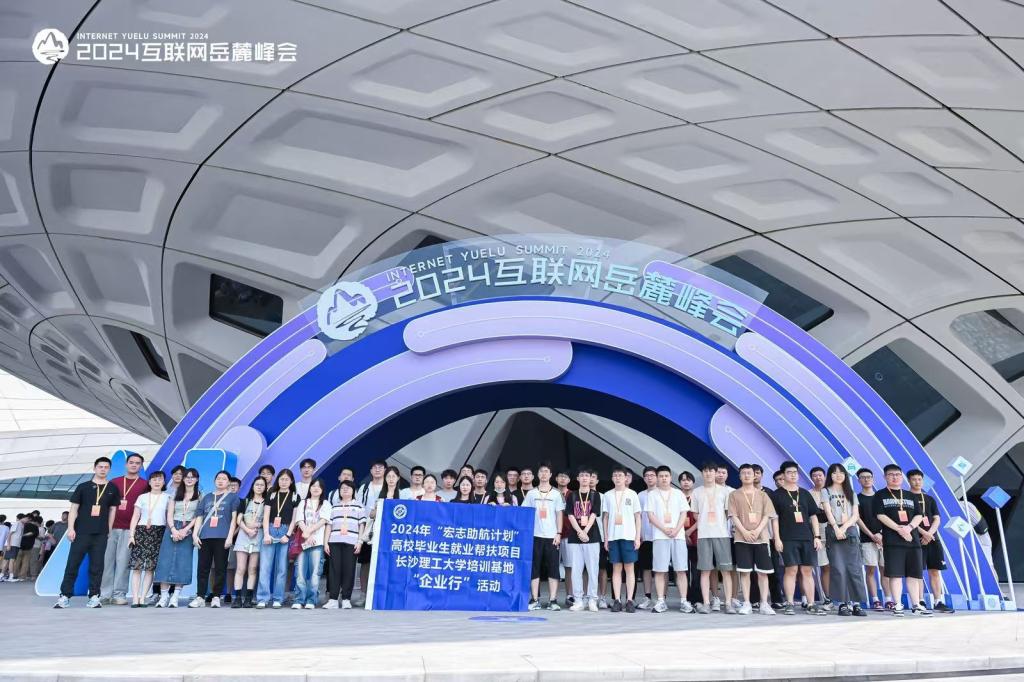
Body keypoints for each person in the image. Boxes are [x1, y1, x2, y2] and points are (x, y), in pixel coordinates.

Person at [55, 457, 122, 608]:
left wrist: (109, 529)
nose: (103, 469)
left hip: (101, 534)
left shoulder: (112, 488)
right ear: (94, 468)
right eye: (100, 467)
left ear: (109, 470)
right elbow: (74, 508)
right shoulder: (83, 487)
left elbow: (113, 510)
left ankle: (94, 596)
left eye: (106, 467)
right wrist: (71, 528)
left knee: (97, 566)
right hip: (81, 532)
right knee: (73, 564)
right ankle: (65, 595)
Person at [873, 464, 932, 617]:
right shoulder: (880, 495)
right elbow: (880, 515)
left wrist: (909, 527)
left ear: (902, 477)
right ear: (885, 477)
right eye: (891, 474)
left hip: (912, 541)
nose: (895, 477)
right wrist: (899, 529)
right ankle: (898, 604)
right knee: (896, 574)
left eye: (898, 474)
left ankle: (916, 605)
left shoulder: (910, 495)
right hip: (893, 542)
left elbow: (919, 515)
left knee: (914, 574)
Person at [771, 461, 826, 616]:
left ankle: (811, 604)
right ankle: (789, 603)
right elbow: (774, 518)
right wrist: (777, 539)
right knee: (791, 570)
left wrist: (817, 536)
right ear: (783, 475)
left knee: (807, 570)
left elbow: (813, 516)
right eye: (789, 472)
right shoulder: (777, 495)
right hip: (787, 538)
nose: (793, 475)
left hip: (807, 538)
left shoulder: (805, 493)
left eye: (795, 472)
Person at [728, 464, 777, 616]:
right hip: (741, 539)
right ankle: (747, 603)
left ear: (754, 475)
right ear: (740, 476)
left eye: (749, 473)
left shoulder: (763, 495)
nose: (747, 475)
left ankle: (764, 603)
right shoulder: (734, 495)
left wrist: (757, 531)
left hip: (761, 538)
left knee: (763, 572)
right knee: (745, 572)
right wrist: (744, 532)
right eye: (743, 473)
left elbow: (767, 515)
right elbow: (733, 516)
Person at [821, 464, 867, 616]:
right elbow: (828, 512)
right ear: (830, 475)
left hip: (850, 530)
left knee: (854, 568)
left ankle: (857, 603)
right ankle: (843, 603)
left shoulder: (851, 492)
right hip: (833, 530)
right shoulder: (826, 491)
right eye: (834, 473)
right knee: (838, 569)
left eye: (841, 473)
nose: (838, 475)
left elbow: (855, 515)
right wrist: (836, 528)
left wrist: (844, 528)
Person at [101, 452, 146, 605]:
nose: (134, 465)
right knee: (106, 562)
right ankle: (104, 594)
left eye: (137, 463)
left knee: (123, 563)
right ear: (126, 464)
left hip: (130, 530)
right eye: (131, 462)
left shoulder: (145, 485)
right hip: (111, 528)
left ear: (141, 466)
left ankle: (119, 594)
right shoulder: (114, 482)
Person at [646, 465, 693, 613]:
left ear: (670, 477)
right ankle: (661, 600)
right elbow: (651, 515)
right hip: (660, 536)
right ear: (657, 478)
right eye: (661, 476)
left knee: (681, 569)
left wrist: (677, 529)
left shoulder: (678, 493)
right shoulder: (652, 495)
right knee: (660, 570)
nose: (664, 478)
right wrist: (664, 529)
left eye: (666, 476)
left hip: (678, 536)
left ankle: (684, 601)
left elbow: (684, 513)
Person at [187, 470, 237, 608]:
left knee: (220, 568)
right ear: (214, 481)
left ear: (228, 482)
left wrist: (230, 537)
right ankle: (200, 597)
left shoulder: (233, 497)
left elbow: (234, 519)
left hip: (222, 537)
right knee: (203, 568)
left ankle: (216, 596)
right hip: (205, 536)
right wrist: (195, 535)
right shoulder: (207, 497)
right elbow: (199, 517)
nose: (220, 481)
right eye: (218, 478)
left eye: (224, 479)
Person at [907, 469, 952, 613]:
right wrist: (924, 533)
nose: (917, 482)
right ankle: (920, 600)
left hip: (933, 539)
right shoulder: (906, 498)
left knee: (935, 571)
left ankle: (938, 601)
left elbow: (937, 518)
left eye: (919, 479)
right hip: (916, 539)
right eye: (914, 479)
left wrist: (930, 534)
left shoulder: (929, 499)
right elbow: (908, 520)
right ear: (909, 481)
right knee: (917, 572)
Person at [692, 462, 734, 614]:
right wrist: (705, 522)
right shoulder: (697, 492)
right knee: (705, 570)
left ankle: (728, 603)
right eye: (705, 471)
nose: (708, 473)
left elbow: (728, 512)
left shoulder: (725, 491)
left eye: (711, 471)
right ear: (702, 473)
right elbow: (695, 513)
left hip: (722, 534)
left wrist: (718, 523)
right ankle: (706, 603)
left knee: (726, 570)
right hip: (704, 535)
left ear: (716, 473)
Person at [154, 468, 200, 607]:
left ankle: (175, 597)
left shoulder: (200, 495)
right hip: (172, 527)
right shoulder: (175, 494)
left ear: (197, 479)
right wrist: (173, 529)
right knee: (165, 562)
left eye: (192, 477)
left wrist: (186, 530)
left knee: (182, 563)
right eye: (187, 477)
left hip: (188, 529)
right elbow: (169, 514)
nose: (189, 479)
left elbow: (198, 516)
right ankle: (163, 597)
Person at [522, 463, 564, 610]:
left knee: (553, 568)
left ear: (551, 475)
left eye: (546, 471)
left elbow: (559, 514)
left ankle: (553, 600)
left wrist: (559, 533)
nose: (544, 474)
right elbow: (525, 513)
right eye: (541, 472)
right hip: (535, 535)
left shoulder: (556, 494)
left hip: (552, 536)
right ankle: (534, 599)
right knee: (535, 567)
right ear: (538, 475)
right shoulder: (531, 493)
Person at [257, 469, 299, 609]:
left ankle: (277, 598)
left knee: (281, 568)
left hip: (285, 532)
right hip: (270, 530)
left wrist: (287, 535)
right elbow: (266, 516)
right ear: (278, 480)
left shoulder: (295, 496)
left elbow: (294, 519)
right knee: (265, 567)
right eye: (281, 479)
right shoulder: (271, 494)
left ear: (291, 481)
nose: (284, 482)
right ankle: (262, 598)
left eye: (287, 479)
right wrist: (266, 534)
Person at [602, 466, 642, 612]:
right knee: (616, 569)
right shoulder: (607, 495)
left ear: (626, 478)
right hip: (613, 536)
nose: (618, 478)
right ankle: (617, 600)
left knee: (630, 569)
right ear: (612, 478)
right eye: (615, 475)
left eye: (620, 475)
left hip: (629, 536)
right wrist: (606, 538)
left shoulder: (632, 494)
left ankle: (630, 600)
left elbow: (638, 517)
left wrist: (637, 537)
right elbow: (605, 518)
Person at [127, 470, 169, 607]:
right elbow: (135, 516)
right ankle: (135, 598)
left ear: (164, 482)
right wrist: (131, 535)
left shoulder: (168, 498)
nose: (157, 482)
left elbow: (169, 518)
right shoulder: (142, 497)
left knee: (150, 568)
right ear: (149, 482)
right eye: (154, 479)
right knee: (137, 567)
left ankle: (143, 597)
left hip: (159, 532)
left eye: (160, 479)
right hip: (141, 531)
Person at [324, 480, 365, 609]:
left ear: (353, 491)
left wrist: (360, 542)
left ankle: (346, 598)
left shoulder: (359, 506)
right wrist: (326, 542)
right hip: (334, 541)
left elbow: (362, 525)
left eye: (348, 488)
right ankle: (333, 599)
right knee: (334, 570)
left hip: (351, 542)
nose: (345, 490)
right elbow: (329, 525)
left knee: (349, 570)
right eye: (342, 488)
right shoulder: (334, 506)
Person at [228, 476, 266, 608]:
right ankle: (237, 597)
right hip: (244, 535)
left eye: (262, 485)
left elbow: (268, 521)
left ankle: (249, 597)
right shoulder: (245, 501)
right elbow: (239, 520)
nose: (259, 487)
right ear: (253, 486)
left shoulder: (267, 503)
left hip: (258, 535)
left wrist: (258, 525)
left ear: (265, 487)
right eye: (257, 484)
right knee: (240, 568)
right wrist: (247, 530)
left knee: (253, 568)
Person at [567, 467, 602, 612]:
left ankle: (592, 599)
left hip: (592, 536)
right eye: (582, 475)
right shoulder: (572, 495)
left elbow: (594, 514)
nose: (585, 478)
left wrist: (585, 531)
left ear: (591, 478)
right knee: (576, 570)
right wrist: (579, 531)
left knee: (593, 569)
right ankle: (578, 600)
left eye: (587, 475)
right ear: (578, 478)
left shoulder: (595, 495)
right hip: (575, 537)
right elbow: (570, 515)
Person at [293, 479, 330, 609]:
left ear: (322, 490)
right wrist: (307, 534)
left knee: (315, 573)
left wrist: (309, 532)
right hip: (303, 542)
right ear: (310, 488)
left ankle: (311, 600)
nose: (315, 488)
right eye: (313, 486)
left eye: (318, 486)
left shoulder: (326, 503)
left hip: (318, 542)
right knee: (300, 572)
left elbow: (323, 520)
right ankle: (299, 599)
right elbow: (299, 520)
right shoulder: (303, 502)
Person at [856, 467, 889, 609]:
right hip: (867, 539)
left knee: (885, 569)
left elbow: (887, 517)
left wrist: (881, 533)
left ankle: (888, 599)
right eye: (863, 477)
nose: (866, 479)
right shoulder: (857, 498)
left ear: (873, 479)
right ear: (859, 480)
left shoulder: (881, 497)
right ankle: (875, 599)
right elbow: (857, 519)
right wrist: (871, 534)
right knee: (870, 570)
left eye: (869, 477)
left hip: (884, 539)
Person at [356, 460, 386, 604]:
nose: (377, 470)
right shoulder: (364, 487)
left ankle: (378, 594)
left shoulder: (389, 487)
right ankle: (363, 594)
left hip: (384, 529)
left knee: (382, 562)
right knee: (365, 563)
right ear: (371, 470)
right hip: (367, 529)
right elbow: (359, 507)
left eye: (380, 467)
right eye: (374, 467)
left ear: (385, 470)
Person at [635, 466, 658, 610]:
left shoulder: (662, 494)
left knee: (661, 569)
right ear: (644, 478)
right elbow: (637, 516)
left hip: (660, 536)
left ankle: (661, 598)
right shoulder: (640, 495)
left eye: (652, 475)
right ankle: (647, 596)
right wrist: (638, 535)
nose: (649, 478)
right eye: (647, 475)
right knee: (646, 568)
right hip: (645, 537)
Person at [809, 466, 831, 606]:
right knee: (825, 566)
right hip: (819, 534)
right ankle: (827, 597)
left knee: (838, 567)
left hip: (835, 532)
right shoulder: (808, 494)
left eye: (820, 475)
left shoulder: (831, 492)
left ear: (825, 476)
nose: (818, 477)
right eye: (815, 475)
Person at [679, 471, 701, 605]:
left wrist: (689, 531)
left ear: (693, 482)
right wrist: (683, 533)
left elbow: (702, 517)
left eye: (688, 480)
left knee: (697, 569)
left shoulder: (697, 497)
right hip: (680, 536)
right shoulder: (676, 497)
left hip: (696, 536)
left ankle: (697, 598)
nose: (686, 482)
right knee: (683, 569)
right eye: (683, 480)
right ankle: (685, 597)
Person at [14, 513, 38, 581]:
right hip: (29, 546)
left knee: (17, 561)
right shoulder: (35, 527)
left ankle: (14, 575)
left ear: (28, 518)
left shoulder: (22, 525)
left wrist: (22, 535)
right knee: (26, 562)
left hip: (19, 545)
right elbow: (34, 534)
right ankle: (22, 576)